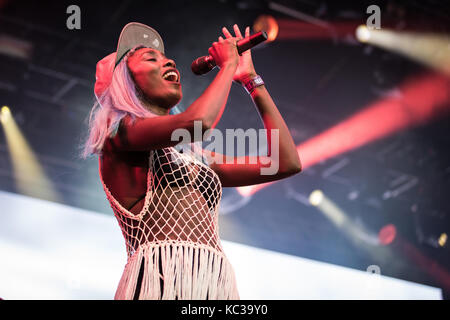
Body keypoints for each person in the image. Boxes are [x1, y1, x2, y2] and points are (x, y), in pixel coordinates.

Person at [82, 22, 301, 300]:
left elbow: (285, 163)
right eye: (151, 58)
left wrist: (250, 80)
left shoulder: (193, 158)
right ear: (125, 81)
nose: (169, 60)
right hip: (159, 278)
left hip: (211, 282)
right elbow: (198, 123)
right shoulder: (120, 134)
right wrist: (227, 65)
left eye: (165, 57)